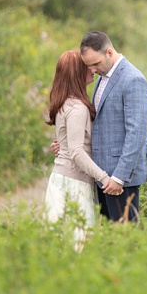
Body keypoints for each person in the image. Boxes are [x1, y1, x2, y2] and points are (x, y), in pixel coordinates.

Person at [53, 31, 147, 222]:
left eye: (95, 64)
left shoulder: (133, 80)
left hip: (120, 176)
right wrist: (66, 144)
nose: (91, 70)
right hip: (102, 175)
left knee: (125, 234)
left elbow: (136, 134)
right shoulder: (102, 77)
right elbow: (100, 126)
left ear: (109, 52)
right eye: (88, 65)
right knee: (108, 235)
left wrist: (119, 178)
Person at [43, 49, 112, 251]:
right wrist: (105, 178)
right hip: (73, 184)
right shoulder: (77, 107)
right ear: (76, 73)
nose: (92, 69)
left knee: (63, 245)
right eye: (86, 66)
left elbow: (68, 144)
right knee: (77, 246)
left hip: (63, 181)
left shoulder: (67, 102)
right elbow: (76, 152)